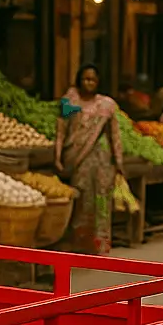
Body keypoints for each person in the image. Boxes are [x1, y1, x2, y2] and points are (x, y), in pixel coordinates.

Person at [56, 63, 124, 254]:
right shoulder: (70, 101)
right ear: (79, 80)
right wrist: (58, 154)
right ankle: (80, 244)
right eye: (86, 79)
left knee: (101, 199)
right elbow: (61, 128)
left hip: (102, 160)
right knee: (82, 198)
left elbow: (115, 135)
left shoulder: (106, 105)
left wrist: (118, 161)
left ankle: (100, 244)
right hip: (77, 158)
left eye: (93, 80)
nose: (89, 83)